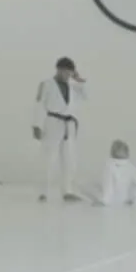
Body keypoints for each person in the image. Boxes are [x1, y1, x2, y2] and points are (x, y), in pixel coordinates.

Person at [32, 56, 87, 202]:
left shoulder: (73, 86)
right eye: (66, 72)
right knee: (48, 157)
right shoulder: (46, 84)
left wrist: (79, 80)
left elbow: (85, 95)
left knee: (69, 158)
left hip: (69, 124)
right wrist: (36, 125)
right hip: (53, 121)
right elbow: (38, 104)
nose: (68, 76)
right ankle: (43, 192)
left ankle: (67, 191)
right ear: (59, 70)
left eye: (70, 73)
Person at [98, 140, 136, 207]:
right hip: (125, 200)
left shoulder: (109, 165)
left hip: (111, 201)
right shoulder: (131, 167)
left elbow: (108, 185)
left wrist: (104, 201)